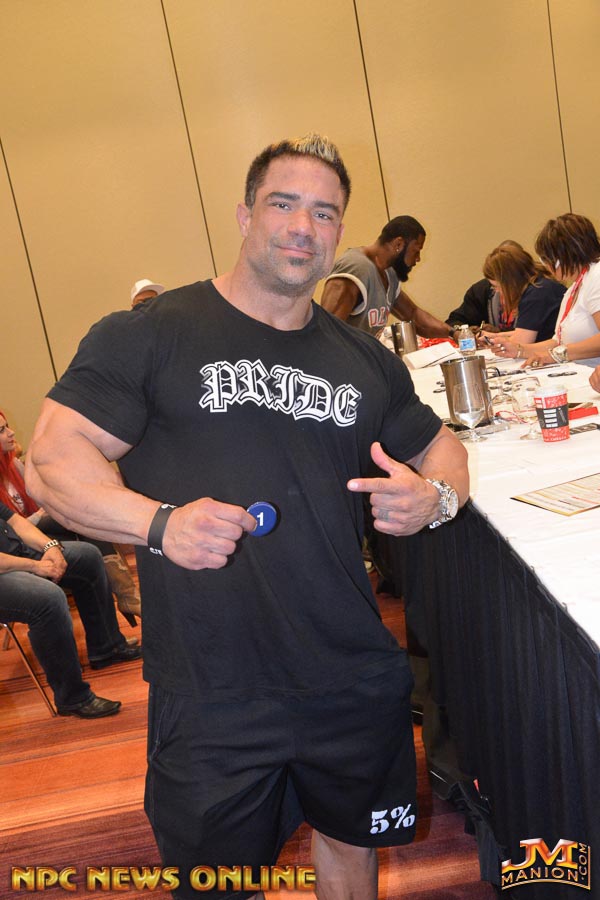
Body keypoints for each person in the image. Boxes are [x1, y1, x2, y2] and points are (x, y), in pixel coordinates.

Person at [26, 134, 469, 900]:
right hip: (213, 689)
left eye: (324, 212)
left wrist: (438, 498)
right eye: (283, 204)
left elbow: (443, 448)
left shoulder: (362, 359)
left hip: (348, 672)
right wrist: (159, 522)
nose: (303, 226)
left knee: (352, 850)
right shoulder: (153, 333)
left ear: (340, 232)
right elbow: (52, 458)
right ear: (243, 215)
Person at [0, 409, 141, 626]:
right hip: (18, 546)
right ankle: (128, 597)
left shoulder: (13, 465)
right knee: (83, 523)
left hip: (36, 534)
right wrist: (40, 516)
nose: (11, 433)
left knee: (86, 524)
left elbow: (34, 508)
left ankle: (126, 600)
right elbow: (11, 533)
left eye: (7, 426)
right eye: (2, 430)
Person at [0, 504, 141, 717]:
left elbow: (14, 521)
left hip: (15, 553)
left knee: (87, 557)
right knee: (48, 599)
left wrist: (50, 547)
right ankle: (73, 697)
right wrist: (34, 566)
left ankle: (107, 648)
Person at [491, 214, 600, 367]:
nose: (545, 265)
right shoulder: (575, 287)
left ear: (562, 256)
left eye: (546, 258)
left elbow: (559, 350)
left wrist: (557, 355)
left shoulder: (596, 275)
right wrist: (518, 350)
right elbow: (558, 342)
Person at [320, 215, 454, 339]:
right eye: (416, 251)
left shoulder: (389, 273)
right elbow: (326, 331)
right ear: (399, 244)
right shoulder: (355, 268)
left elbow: (414, 315)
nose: (418, 258)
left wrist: (454, 333)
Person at [479, 242, 565, 343]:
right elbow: (523, 332)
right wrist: (495, 336)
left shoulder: (536, 294)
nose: (496, 291)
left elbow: (521, 342)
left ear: (510, 281)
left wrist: (491, 341)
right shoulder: (539, 285)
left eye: (497, 286)